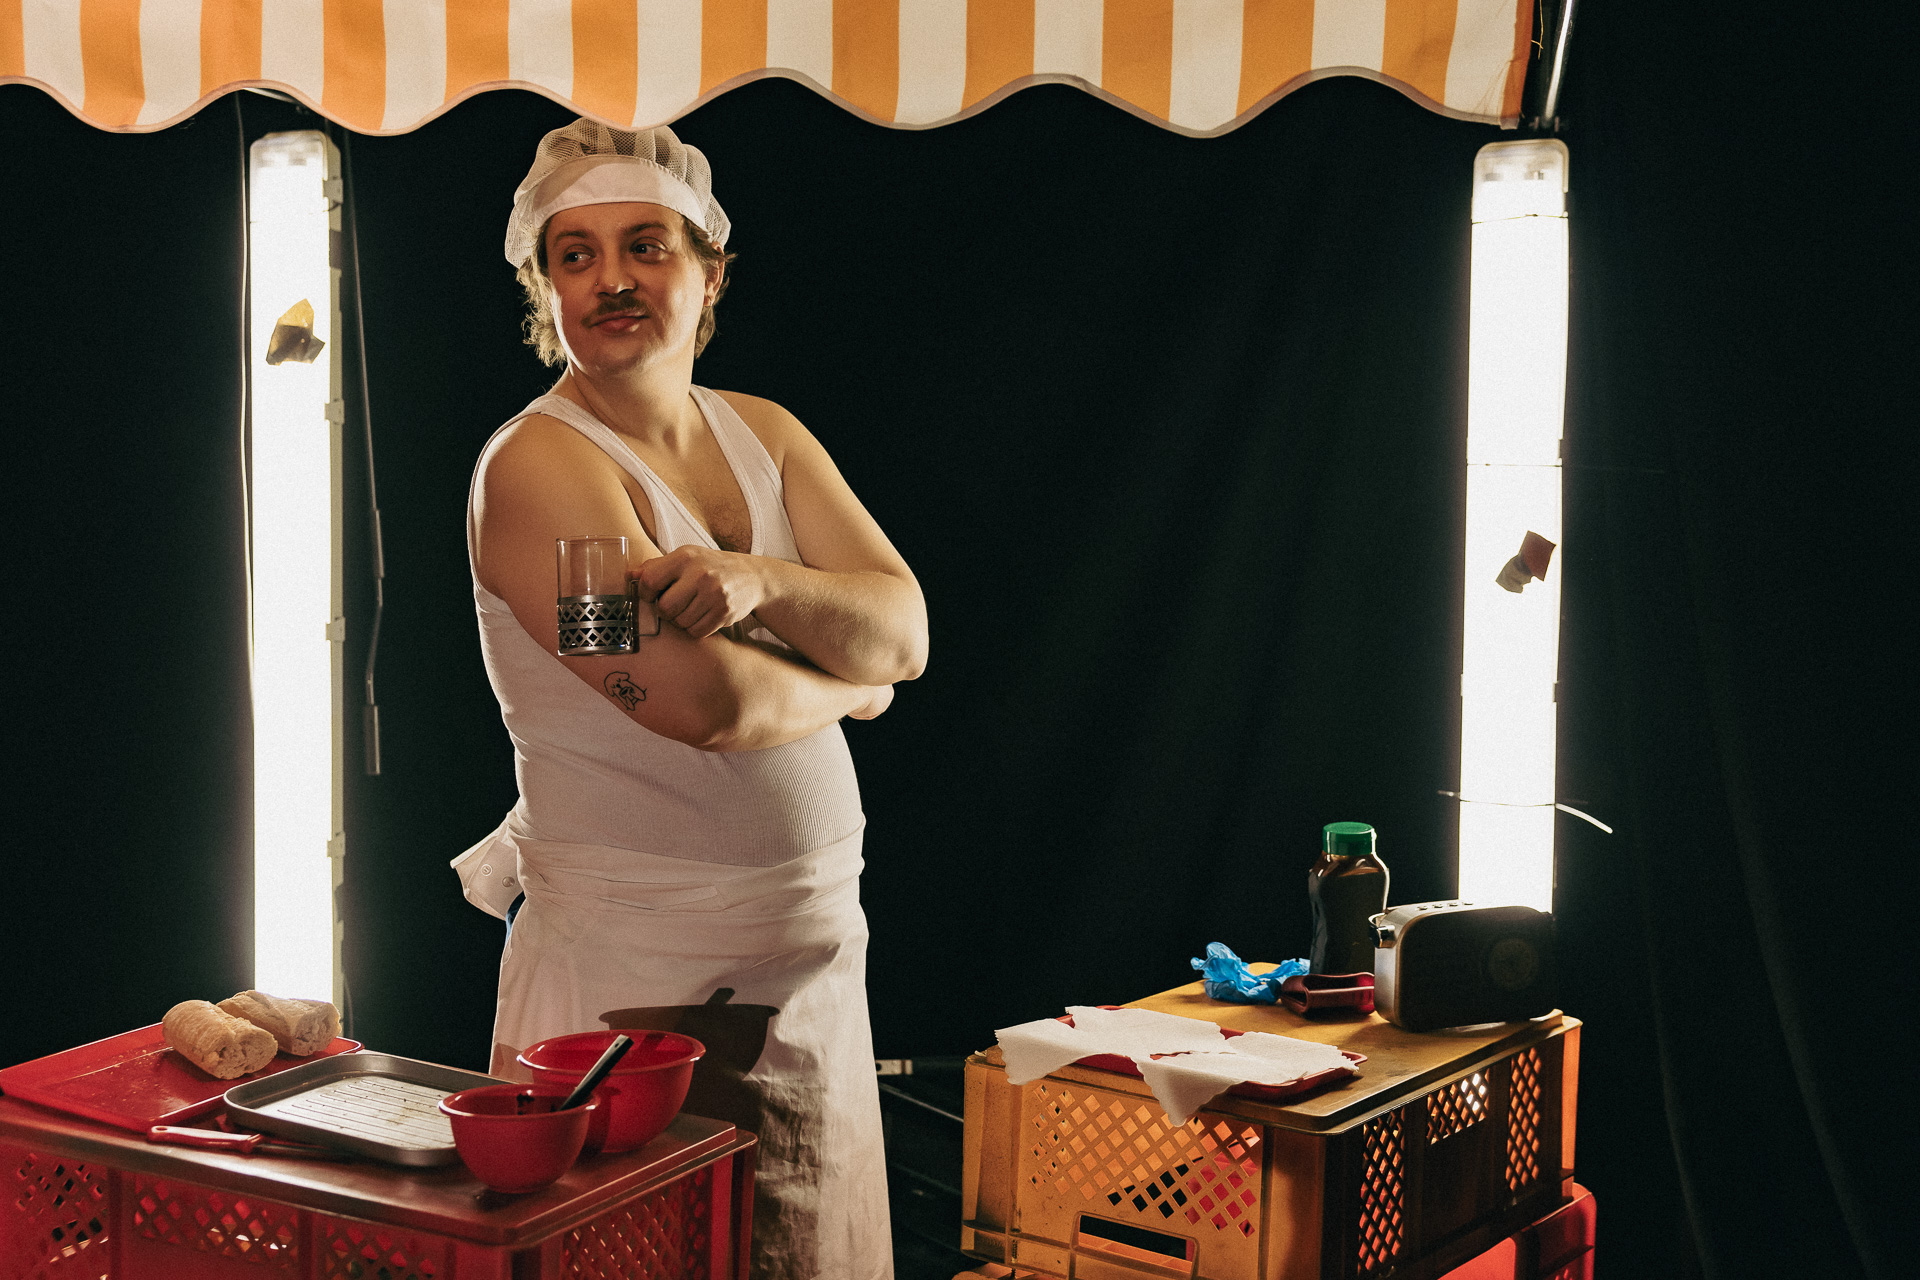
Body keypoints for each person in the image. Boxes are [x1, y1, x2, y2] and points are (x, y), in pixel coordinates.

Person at [450, 119, 926, 1280]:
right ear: (544, 288)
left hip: (812, 971)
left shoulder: (766, 434)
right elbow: (690, 700)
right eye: (575, 255)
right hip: (635, 982)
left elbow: (905, 629)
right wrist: (853, 690)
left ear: (711, 271)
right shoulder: (537, 470)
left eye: (646, 245)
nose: (610, 278)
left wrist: (763, 580)